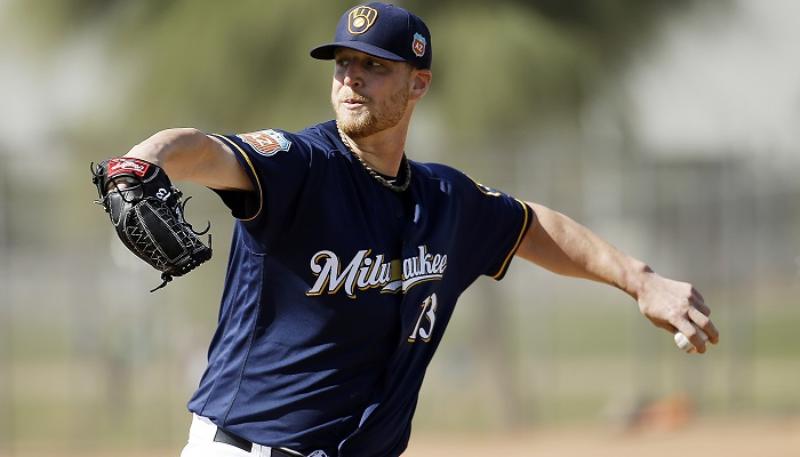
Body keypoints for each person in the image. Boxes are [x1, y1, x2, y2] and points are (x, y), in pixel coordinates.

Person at [113, 3, 718, 456]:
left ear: (418, 83)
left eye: (373, 66)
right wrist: (144, 160)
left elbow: (535, 227)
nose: (351, 78)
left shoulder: (447, 199)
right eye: (344, 63)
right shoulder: (300, 163)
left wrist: (640, 280)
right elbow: (206, 152)